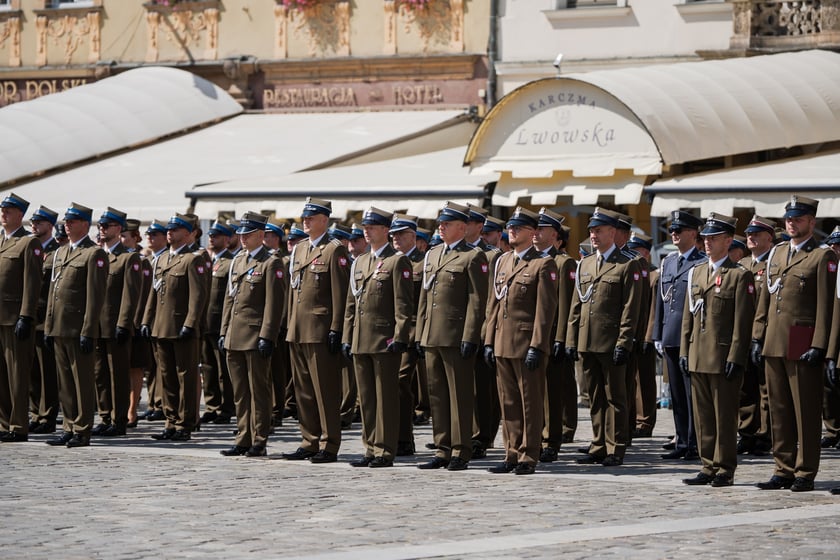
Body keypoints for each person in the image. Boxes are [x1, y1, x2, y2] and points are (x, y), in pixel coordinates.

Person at [753, 195, 836, 492]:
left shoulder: (822, 256)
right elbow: (765, 299)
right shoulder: (776, 254)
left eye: (798, 219)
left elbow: (827, 306)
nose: (792, 223)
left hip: (803, 341)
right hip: (774, 341)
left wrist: (820, 344)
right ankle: (783, 468)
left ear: (811, 222)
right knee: (778, 410)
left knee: (805, 411)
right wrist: (757, 334)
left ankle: (805, 471)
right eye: (789, 219)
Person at [680, 213, 755, 487]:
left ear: (728, 240)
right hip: (698, 353)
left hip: (723, 356)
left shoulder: (739, 275)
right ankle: (708, 464)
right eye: (705, 238)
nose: (707, 243)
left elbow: (742, 322)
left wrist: (736, 356)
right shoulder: (697, 272)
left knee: (724, 415)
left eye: (713, 238)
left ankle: (725, 468)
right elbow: (689, 315)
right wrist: (684, 351)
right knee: (702, 415)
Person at [415, 201, 488, 471]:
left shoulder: (473, 256)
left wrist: (471, 336)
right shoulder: (433, 255)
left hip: (457, 336)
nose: (441, 228)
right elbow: (425, 297)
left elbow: (477, 301)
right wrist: (421, 334)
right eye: (440, 224)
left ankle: (461, 449)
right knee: (437, 395)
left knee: (460, 395)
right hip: (433, 335)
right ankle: (442, 447)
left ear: (462, 227)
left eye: (447, 224)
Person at [485, 207, 558, 475]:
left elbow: (545, 310)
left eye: (518, 228)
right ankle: (511, 452)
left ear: (533, 233)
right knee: (509, 403)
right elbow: (493, 304)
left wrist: (538, 345)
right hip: (503, 342)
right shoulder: (502, 261)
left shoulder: (543, 263)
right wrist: (489, 340)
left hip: (527, 343)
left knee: (529, 402)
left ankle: (529, 455)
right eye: (510, 227)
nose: (512, 231)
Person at [567, 207, 641, 467]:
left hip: (611, 342)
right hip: (587, 340)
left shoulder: (627, 264)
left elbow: (630, 308)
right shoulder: (586, 263)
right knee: (594, 397)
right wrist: (571, 340)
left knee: (615, 397)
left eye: (598, 230)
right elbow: (577, 305)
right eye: (591, 231)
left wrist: (624, 341)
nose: (593, 235)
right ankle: (598, 443)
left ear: (612, 232)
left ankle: (616, 446)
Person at [342, 207, 412, 467]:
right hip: (361, 339)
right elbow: (352, 304)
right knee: (367, 399)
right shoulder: (360, 261)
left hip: (384, 340)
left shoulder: (397, 261)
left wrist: (400, 336)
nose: (367, 231)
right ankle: (370, 447)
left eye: (372, 227)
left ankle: (384, 450)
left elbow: (403, 305)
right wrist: (347, 337)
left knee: (385, 399)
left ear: (386, 230)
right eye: (365, 227)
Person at [282, 198, 351, 464]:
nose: (305, 221)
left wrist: (336, 328)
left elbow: (339, 293)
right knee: (304, 390)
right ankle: (308, 440)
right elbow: (294, 291)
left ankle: (329, 443)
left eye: (311, 217)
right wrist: (289, 324)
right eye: (304, 217)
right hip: (298, 329)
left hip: (320, 330)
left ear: (324, 219)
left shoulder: (334, 250)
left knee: (324, 390)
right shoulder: (299, 249)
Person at [219, 212, 284, 457]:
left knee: (259, 390)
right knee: (240, 392)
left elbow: (273, 303)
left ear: (260, 235)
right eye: (241, 234)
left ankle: (259, 439)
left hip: (255, 335)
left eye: (248, 234)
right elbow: (230, 299)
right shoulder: (238, 261)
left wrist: (267, 335)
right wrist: (224, 330)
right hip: (235, 334)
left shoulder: (271, 262)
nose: (243, 239)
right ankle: (242, 436)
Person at [44, 203, 108, 448]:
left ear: (85, 224)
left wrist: (89, 330)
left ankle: (82, 429)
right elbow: (53, 292)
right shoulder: (61, 253)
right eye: (66, 221)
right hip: (59, 326)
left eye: (73, 221)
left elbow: (95, 296)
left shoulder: (94, 254)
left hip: (78, 327)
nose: (67, 225)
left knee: (81, 381)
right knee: (65, 383)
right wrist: (49, 324)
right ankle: (69, 426)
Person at [141, 213, 208, 442]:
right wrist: (146, 321)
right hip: (160, 327)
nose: (170, 232)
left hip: (181, 328)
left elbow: (197, 297)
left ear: (189, 234)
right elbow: (153, 294)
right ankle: (170, 421)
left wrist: (190, 324)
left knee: (185, 378)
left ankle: (185, 423)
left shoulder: (193, 259)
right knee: (166, 377)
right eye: (169, 228)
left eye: (177, 229)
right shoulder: (160, 260)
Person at [653, 210, 705, 461]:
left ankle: (695, 443)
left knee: (691, 393)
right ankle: (682, 441)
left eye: (679, 230)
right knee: (676, 394)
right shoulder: (668, 262)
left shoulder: (701, 262)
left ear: (693, 234)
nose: (673, 233)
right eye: (672, 230)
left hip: (691, 338)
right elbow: (661, 302)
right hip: (670, 334)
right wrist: (657, 334)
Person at [92, 207, 142, 437]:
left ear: (118, 229)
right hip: (96, 325)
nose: (102, 229)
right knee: (100, 374)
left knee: (117, 375)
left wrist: (124, 323)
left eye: (107, 225)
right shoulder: (96, 255)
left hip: (115, 325)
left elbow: (130, 295)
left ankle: (118, 419)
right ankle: (104, 416)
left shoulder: (128, 257)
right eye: (101, 225)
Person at [0, 194, 43, 442]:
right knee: (2, 376)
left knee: (17, 375)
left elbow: (32, 282)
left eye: (10, 209)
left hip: (15, 317)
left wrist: (26, 315)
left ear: (21, 214)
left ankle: (18, 425)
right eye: (2, 209)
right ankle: (4, 422)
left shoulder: (29, 243)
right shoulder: (2, 241)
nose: (4, 213)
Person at [537, 208, 577, 461]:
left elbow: (566, 305)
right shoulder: (529, 260)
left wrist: (562, 338)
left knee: (552, 390)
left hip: (552, 336)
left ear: (554, 235)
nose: (535, 234)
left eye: (541, 229)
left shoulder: (564, 263)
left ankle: (551, 439)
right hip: (531, 336)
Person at [736, 215, 777, 456]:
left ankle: (766, 433)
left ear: (769, 238)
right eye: (749, 234)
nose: (750, 237)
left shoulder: (773, 264)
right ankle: (747, 432)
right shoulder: (742, 265)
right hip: (743, 335)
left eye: (756, 234)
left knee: (766, 388)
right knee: (744, 387)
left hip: (766, 335)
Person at [465, 204, 502, 460]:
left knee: (482, 389)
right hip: (458, 329)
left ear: (480, 227)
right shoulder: (453, 253)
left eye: (467, 223)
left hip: (481, 330)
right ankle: (462, 434)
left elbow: (492, 299)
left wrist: (486, 334)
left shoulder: (492, 256)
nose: (463, 227)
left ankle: (482, 436)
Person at [388, 213, 425, 456]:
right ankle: (391, 437)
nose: (396, 239)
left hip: (411, 332)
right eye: (393, 235)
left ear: (413, 236)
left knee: (402, 382)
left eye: (401, 234)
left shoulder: (423, 262)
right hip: (387, 333)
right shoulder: (388, 261)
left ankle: (403, 439)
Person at [28, 206, 60, 434]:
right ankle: (34, 413)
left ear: (50, 225)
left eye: (40, 222)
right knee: (31, 372)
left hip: (45, 318)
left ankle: (47, 415)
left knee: (46, 371)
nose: (34, 225)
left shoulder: (58, 251)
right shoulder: (30, 247)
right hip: (28, 317)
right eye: (33, 222)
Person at [202, 220, 237, 425]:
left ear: (226, 239)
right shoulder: (205, 260)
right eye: (211, 236)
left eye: (216, 236)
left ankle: (226, 407)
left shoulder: (229, 262)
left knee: (223, 369)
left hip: (220, 322)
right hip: (205, 322)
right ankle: (211, 405)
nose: (212, 238)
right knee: (208, 368)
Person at [625, 232, 659, 438]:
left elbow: (653, 310)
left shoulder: (653, 275)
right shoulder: (633, 271)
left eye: (634, 249)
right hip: (631, 334)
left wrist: (648, 337)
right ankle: (634, 419)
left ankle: (645, 421)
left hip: (645, 334)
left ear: (645, 252)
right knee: (631, 381)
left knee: (645, 380)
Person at [139, 220, 168, 422]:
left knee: (164, 369)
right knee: (151, 366)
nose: (150, 237)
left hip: (167, 323)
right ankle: (153, 402)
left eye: (155, 234)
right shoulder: (149, 260)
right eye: (149, 234)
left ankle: (162, 403)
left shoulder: (168, 259)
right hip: (152, 321)